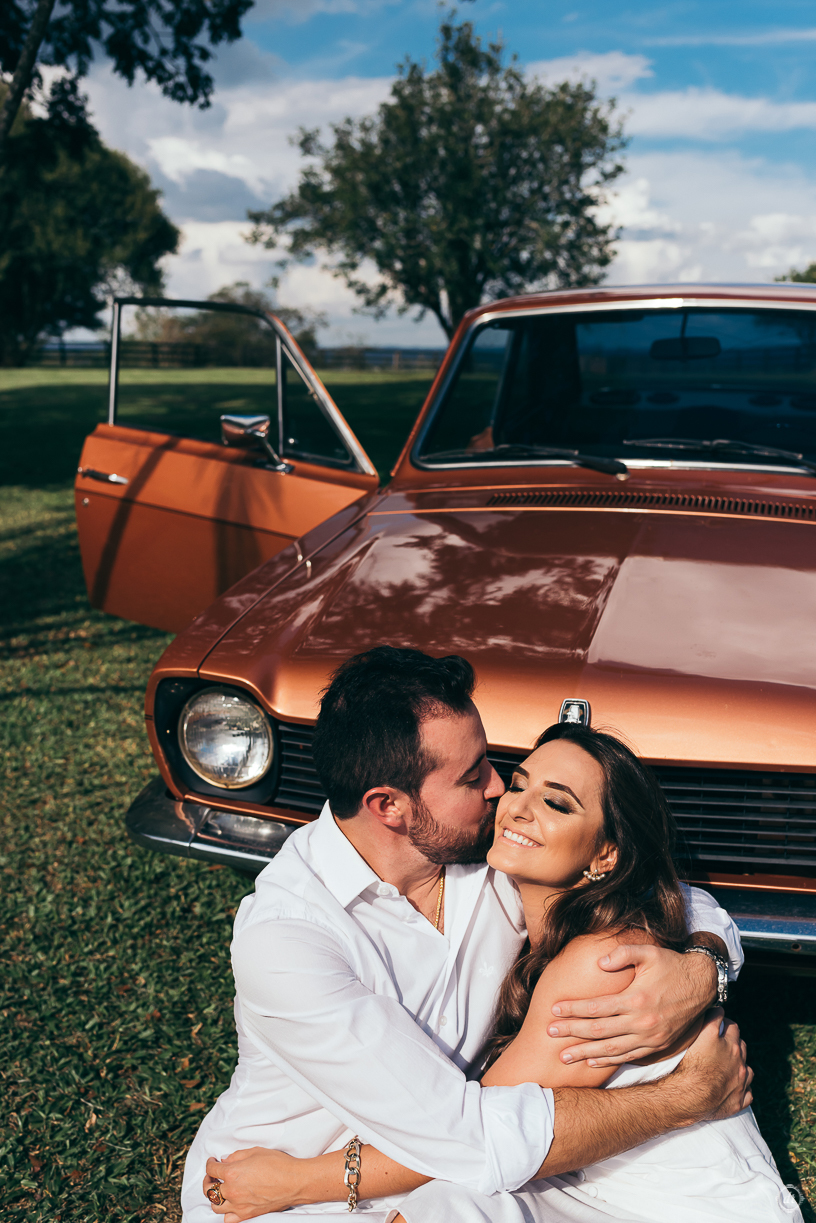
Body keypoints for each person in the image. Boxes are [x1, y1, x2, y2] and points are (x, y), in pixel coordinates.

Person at [181, 647, 749, 1223]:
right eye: (472, 774)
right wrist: (685, 1098)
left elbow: (653, 890)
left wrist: (704, 966)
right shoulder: (289, 941)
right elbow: (469, 1138)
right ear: (390, 806)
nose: (499, 787)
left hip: (461, 1183)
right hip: (278, 1193)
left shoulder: (493, 859)